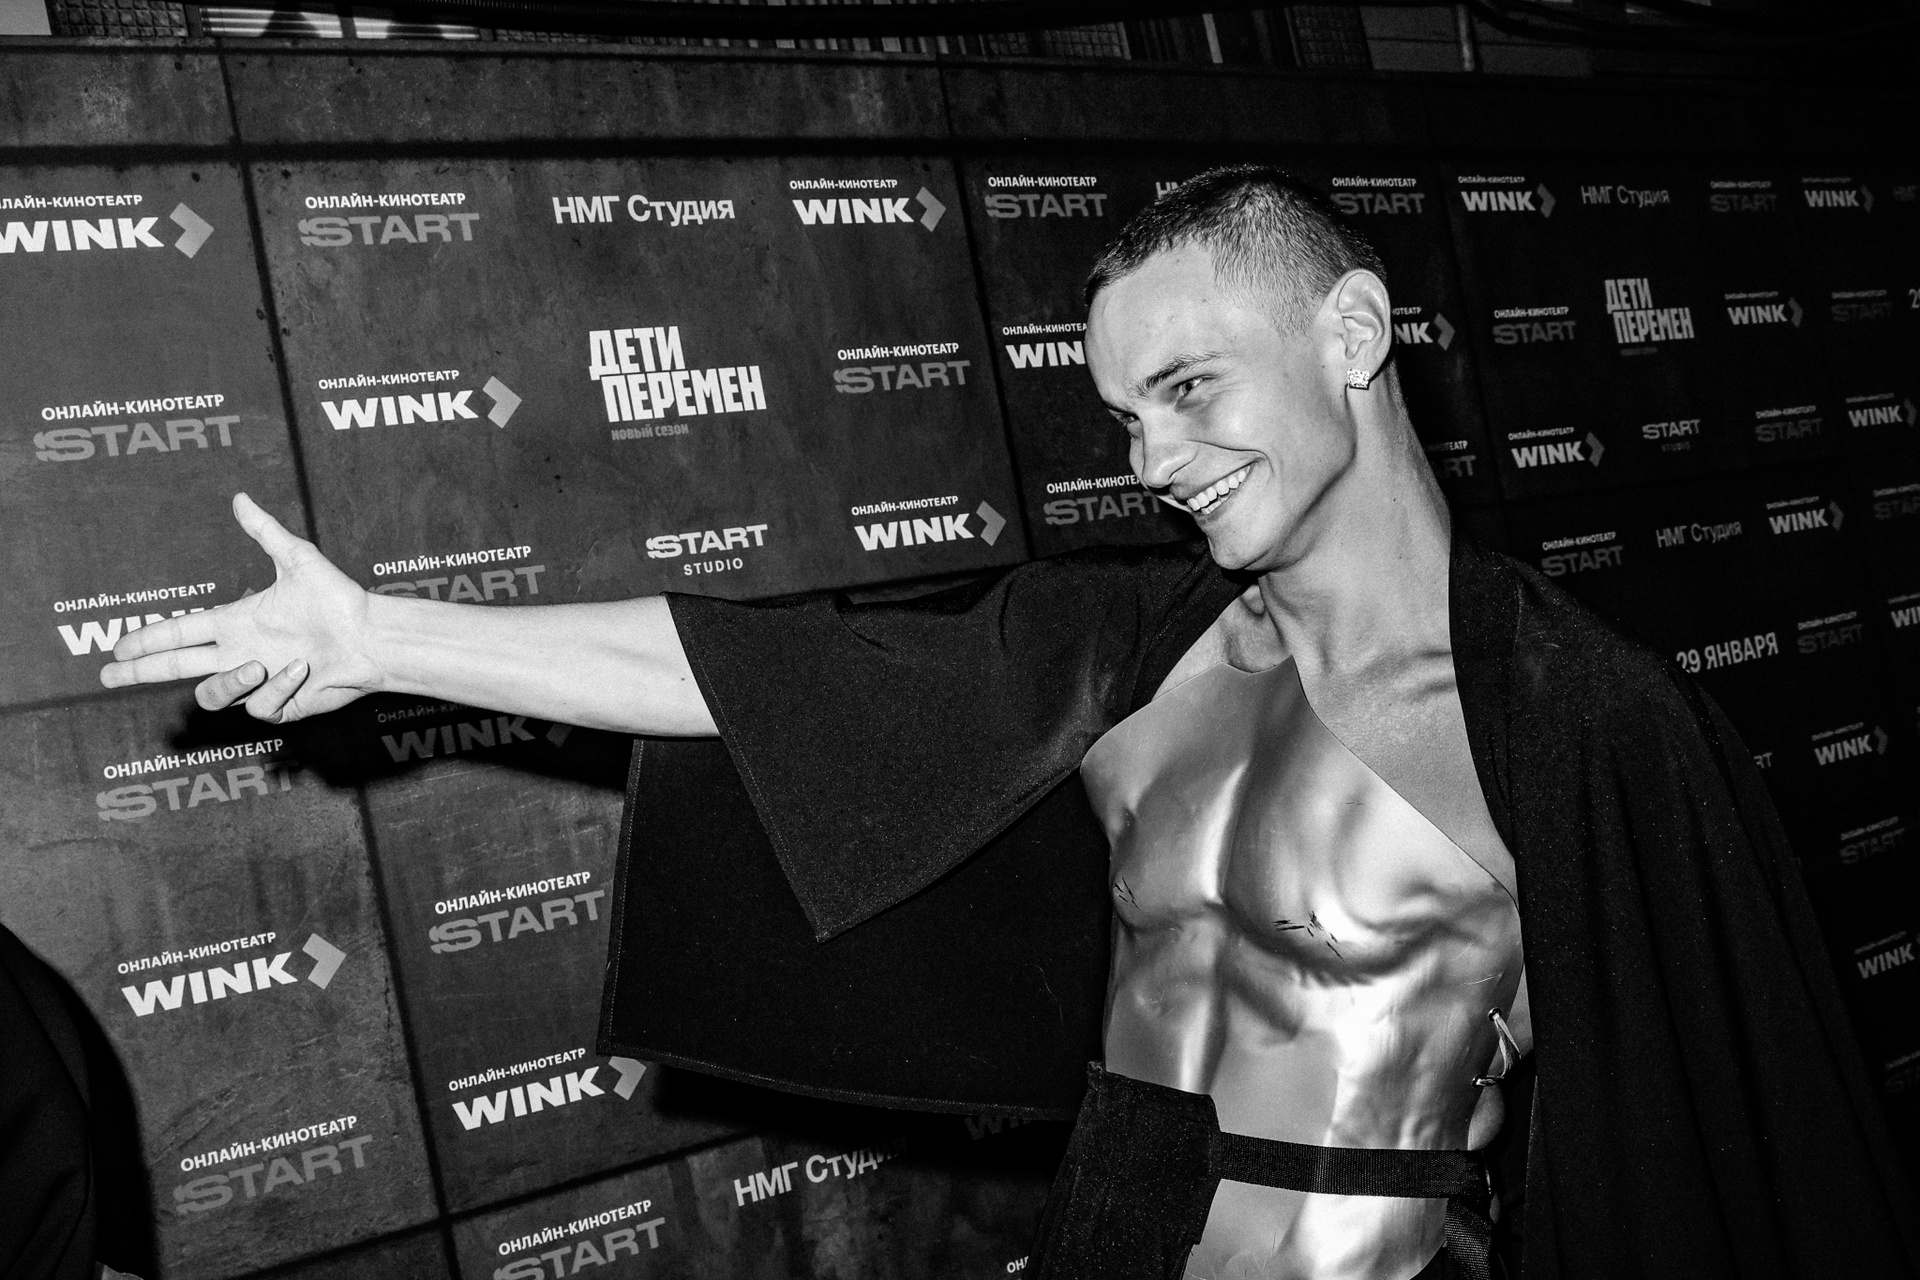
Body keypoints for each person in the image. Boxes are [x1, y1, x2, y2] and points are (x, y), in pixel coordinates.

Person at [101, 168, 1917, 1280]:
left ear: (1354, 333)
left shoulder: (1581, 723)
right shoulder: (1135, 649)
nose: (1156, 459)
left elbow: (1720, 1139)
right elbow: (748, 679)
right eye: (1126, 416)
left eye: (1191, 387)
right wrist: (382, 634)